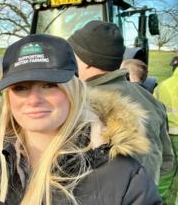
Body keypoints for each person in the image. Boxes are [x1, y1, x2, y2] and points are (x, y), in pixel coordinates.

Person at [0, 34, 160, 204]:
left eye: (49, 85)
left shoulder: (122, 175)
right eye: (20, 88)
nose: (34, 100)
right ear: (8, 97)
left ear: (74, 90)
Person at [67, 20, 174, 185]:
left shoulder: (80, 103)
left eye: (72, 54)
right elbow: (167, 161)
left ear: (87, 60)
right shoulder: (150, 98)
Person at [154, 55, 178, 204]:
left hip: (167, 135)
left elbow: (153, 110)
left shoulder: (162, 86)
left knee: (166, 170)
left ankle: (159, 199)